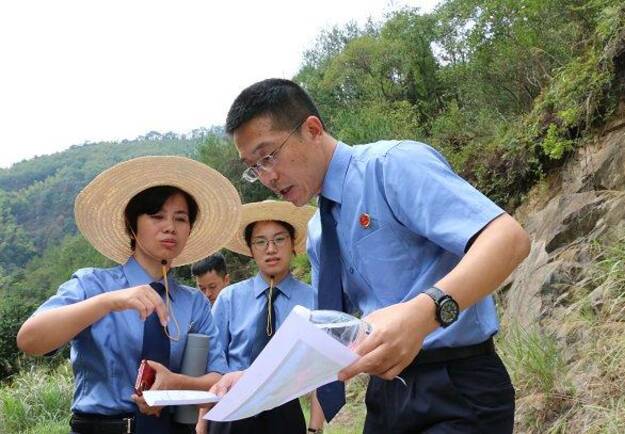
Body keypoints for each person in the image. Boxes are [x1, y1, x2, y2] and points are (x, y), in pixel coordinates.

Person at [217, 78, 532, 433]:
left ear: (312, 129)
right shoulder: (320, 232)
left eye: (269, 155)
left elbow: (508, 238)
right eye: (254, 167)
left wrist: (422, 315)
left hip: (456, 383)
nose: (268, 177)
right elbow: (329, 335)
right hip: (386, 395)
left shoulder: (392, 166)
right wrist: (256, 380)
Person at [16, 156, 241, 434]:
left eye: (180, 218)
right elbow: (30, 340)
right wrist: (110, 301)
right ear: (131, 224)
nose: (170, 226)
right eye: (157, 216)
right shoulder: (93, 285)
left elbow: (217, 378)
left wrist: (175, 382)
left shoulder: (193, 302)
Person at [197, 200, 325, 434]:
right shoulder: (229, 298)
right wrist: (202, 421)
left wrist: (315, 428)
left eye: (279, 239)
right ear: (250, 249)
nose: (270, 249)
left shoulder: (313, 301)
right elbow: (213, 364)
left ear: (293, 243)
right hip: (230, 409)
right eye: (260, 241)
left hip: (285, 410)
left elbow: (321, 371)